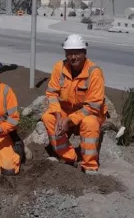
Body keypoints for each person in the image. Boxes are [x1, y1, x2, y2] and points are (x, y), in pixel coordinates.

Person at [42, 34, 107, 174]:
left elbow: (94, 106)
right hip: (66, 112)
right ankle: (69, 157)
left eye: (77, 53)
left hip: (88, 113)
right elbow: (51, 93)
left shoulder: (94, 73)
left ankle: (89, 165)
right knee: (48, 117)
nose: (73, 57)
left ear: (84, 52)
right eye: (69, 53)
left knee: (90, 123)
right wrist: (59, 117)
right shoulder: (59, 67)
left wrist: (69, 121)